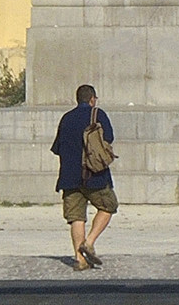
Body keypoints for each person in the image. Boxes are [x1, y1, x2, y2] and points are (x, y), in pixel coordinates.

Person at [51, 82, 117, 271]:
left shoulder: (66, 118)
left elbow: (57, 148)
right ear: (92, 99)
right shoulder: (98, 115)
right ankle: (89, 242)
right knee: (109, 206)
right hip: (95, 175)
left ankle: (80, 260)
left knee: (76, 218)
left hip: (69, 177)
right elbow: (109, 139)